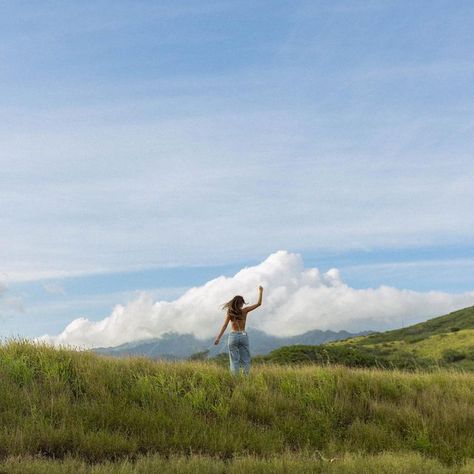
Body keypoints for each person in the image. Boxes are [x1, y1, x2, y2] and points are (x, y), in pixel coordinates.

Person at [214, 285, 263, 375]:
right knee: (246, 359)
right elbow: (259, 303)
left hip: (233, 336)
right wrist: (261, 291)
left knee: (234, 360)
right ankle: (246, 379)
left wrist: (218, 338)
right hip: (243, 336)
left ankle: (235, 379)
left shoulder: (230, 313)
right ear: (241, 303)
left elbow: (225, 325)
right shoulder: (245, 311)